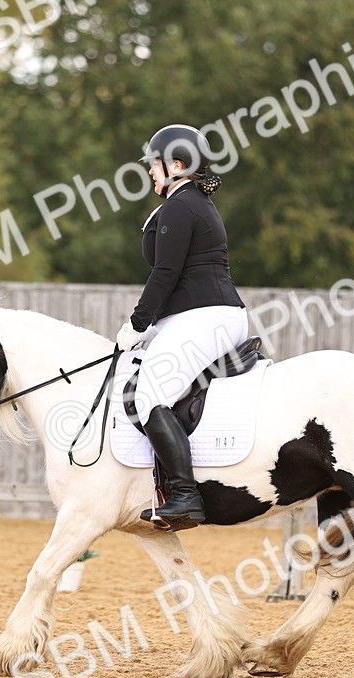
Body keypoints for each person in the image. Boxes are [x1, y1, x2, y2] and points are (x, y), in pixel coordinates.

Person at [115, 124, 248, 529]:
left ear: (176, 164)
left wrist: (138, 323)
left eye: (155, 165)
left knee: (150, 393)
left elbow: (166, 272)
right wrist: (157, 327)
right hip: (197, 314)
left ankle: (186, 496)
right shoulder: (187, 203)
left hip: (208, 316)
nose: (151, 172)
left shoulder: (181, 206)